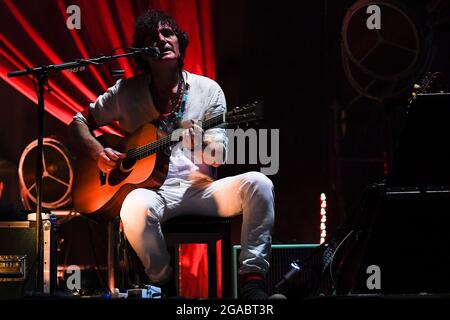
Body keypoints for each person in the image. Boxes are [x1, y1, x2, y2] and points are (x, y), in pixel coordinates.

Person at [70, 9, 274, 299]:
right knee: (133, 206)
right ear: (143, 52)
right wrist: (97, 152)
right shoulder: (125, 92)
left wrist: (199, 143)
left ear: (180, 42)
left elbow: (219, 156)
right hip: (153, 192)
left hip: (201, 191)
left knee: (260, 183)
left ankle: (252, 281)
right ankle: (165, 285)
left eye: (168, 33)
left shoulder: (208, 90)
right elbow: (78, 122)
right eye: (153, 38)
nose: (163, 40)